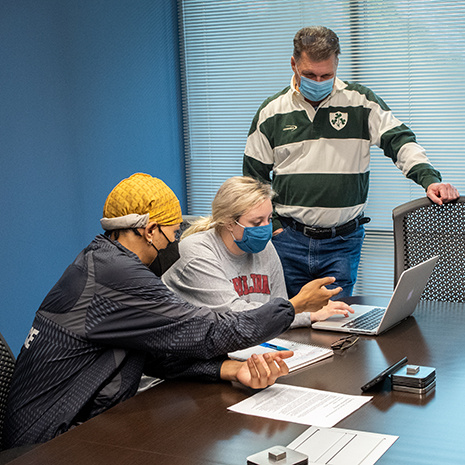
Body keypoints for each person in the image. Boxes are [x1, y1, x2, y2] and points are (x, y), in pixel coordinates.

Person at [3, 173, 336, 449]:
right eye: (172, 232)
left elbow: (154, 351)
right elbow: (211, 331)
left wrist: (230, 371)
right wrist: (294, 306)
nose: (174, 242)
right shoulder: (117, 275)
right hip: (47, 444)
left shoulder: (100, 262)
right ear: (149, 230)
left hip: (63, 424)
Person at [243, 26, 459, 299]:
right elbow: (253, 180)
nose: (318, 81)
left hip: (342, 243)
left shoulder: (361, 102)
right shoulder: (271, 112)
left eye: (326, 75)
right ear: (293, 64)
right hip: (289, 241)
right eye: (309, 74)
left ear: (336, 65)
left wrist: (429, 180)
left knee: (336, 327)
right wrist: (274, 226)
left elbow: (399, 141)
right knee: (286, 322)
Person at [163, 176, 353, 326]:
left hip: (249, 341)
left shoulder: (265, 247)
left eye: (269, 219)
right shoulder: (196, 251)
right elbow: (233, 314)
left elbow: (279, 306)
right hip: (191, 358)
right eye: (256, 222)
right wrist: (305, 312)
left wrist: (303, 311)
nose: (266, 228)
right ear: (229, 222)